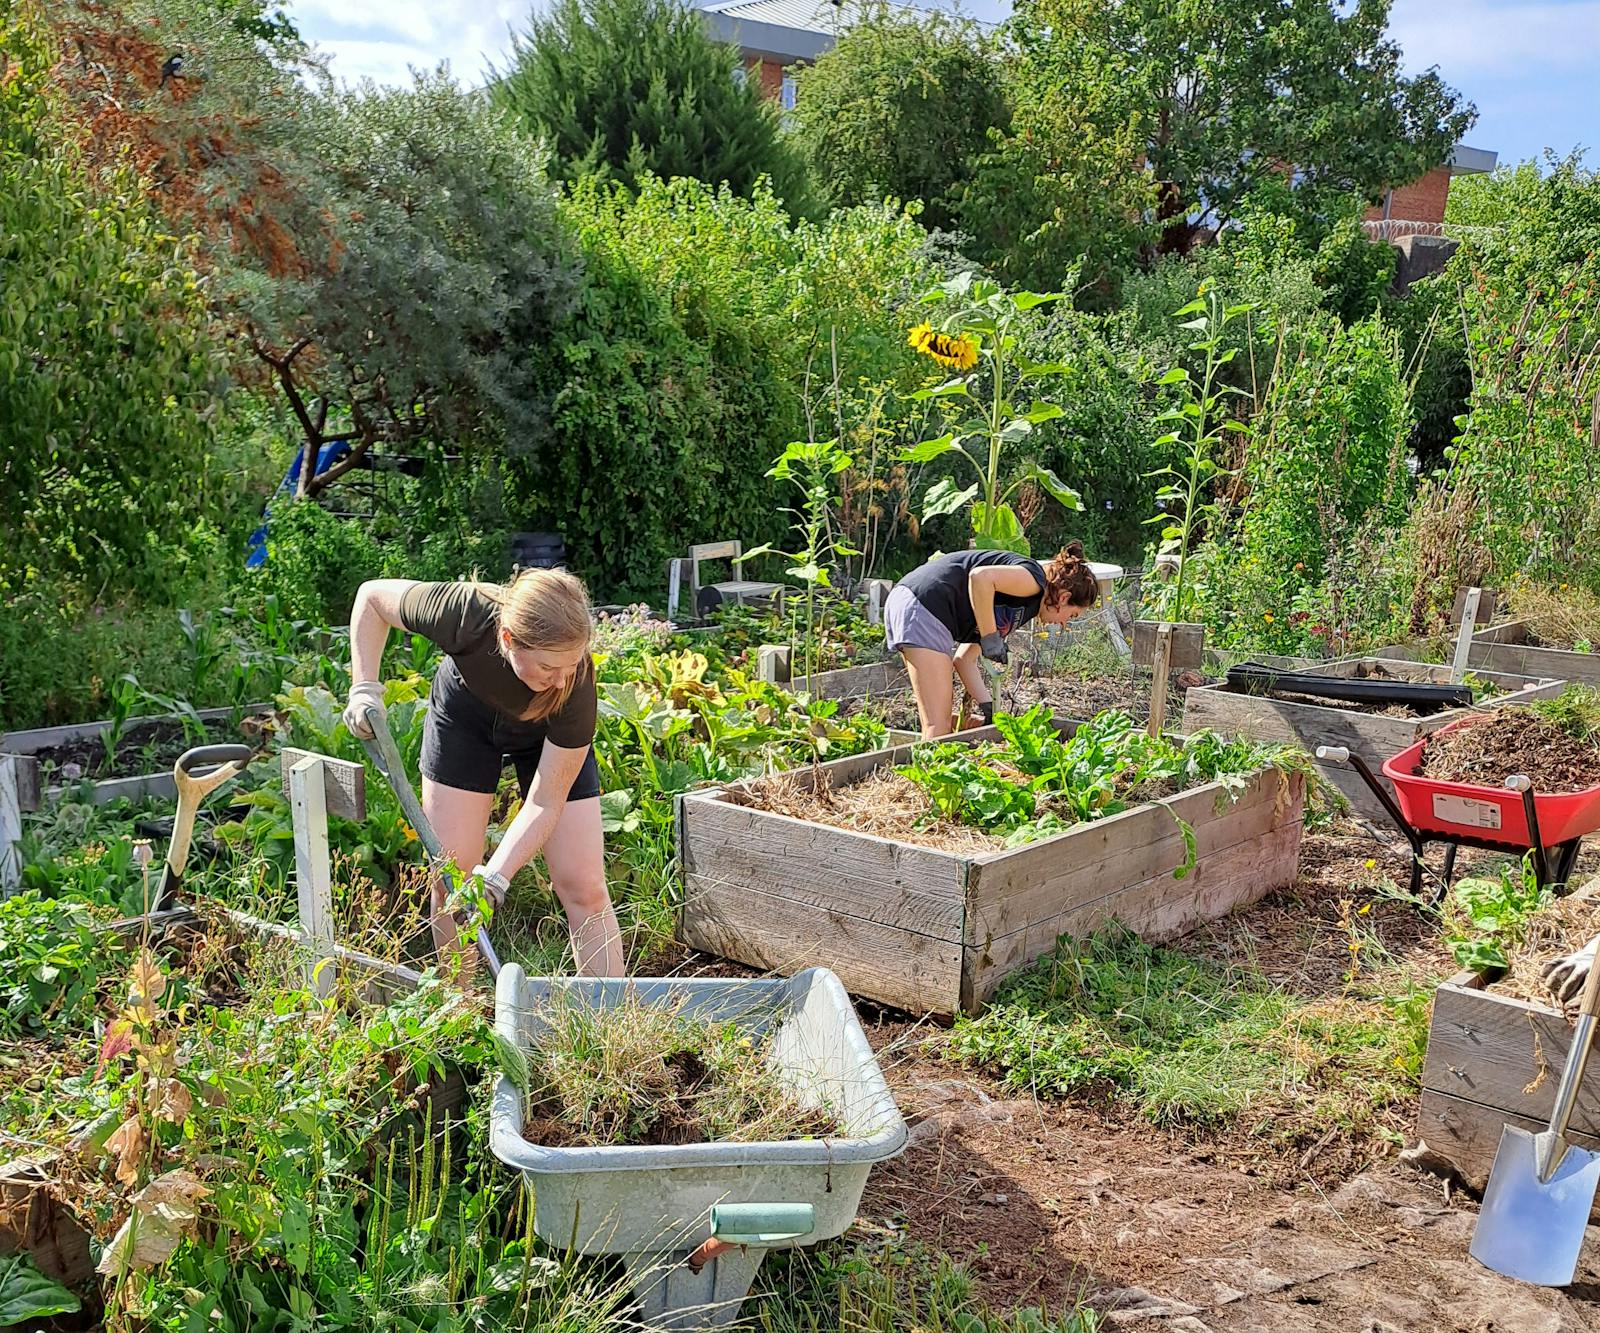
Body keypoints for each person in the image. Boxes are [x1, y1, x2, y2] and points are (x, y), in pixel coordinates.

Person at [341, 569, 623, 977]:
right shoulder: (464, 614)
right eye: (547, 666)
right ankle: (463, 1009)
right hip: (466, 722)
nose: (561, 679)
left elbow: (545, 802)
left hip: (547, 735)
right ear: (508, 640)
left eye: (571, 664)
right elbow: (371, 597)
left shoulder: (573, 689)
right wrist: (364, 687)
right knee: (450, 882)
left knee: (584, 884)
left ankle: (609, 1016)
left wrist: (496, 878)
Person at [884, 543, 1101, 739]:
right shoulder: (1035, 580)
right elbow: (981, 577)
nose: (1064, 624)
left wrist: (989, 708)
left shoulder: (1022, 609)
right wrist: (990, 637)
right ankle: (930, 781)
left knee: (938, 722)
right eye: (1071, 616)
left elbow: (964, 660)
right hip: (925, 605)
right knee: (938, 728)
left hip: (918, 606)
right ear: (1063, 598)